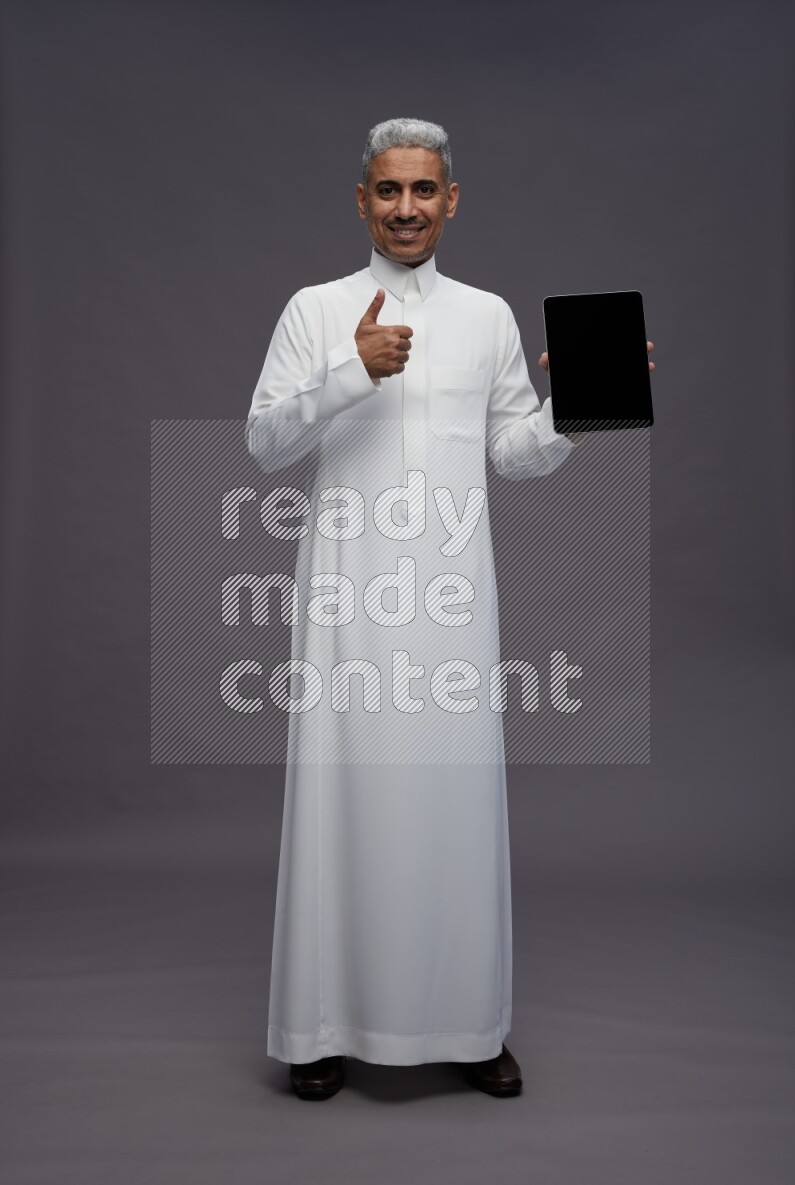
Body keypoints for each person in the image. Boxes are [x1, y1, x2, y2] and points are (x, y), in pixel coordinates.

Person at [245, 117, 655, 1101]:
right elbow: (263, 441)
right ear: (360, 201)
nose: (405, 209)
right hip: (349, 599)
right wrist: (352, 373)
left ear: (450, 200)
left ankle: (470, 1027)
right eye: (387, 191)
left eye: (422, 191)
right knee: (344, 803)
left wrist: (573, 411)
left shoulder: (486, 316)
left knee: (454, 803)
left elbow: (509, 452)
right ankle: (321, 1029)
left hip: (452, 601)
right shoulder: (315, 310)